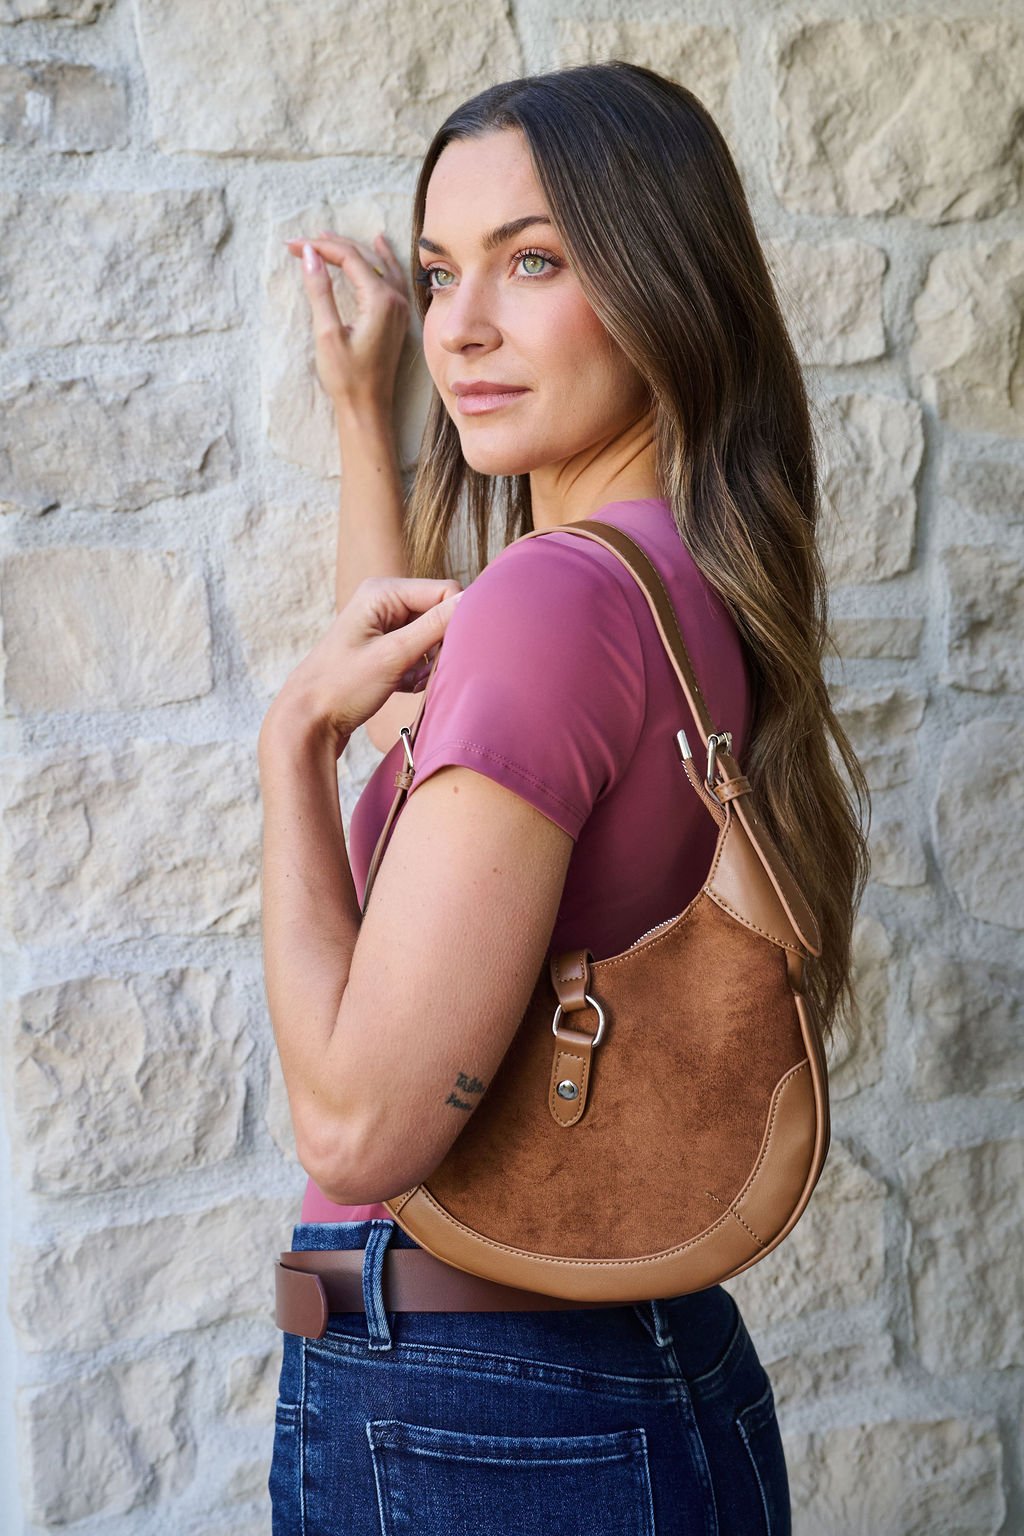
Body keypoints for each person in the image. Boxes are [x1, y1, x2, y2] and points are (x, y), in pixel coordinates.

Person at [259, 60, 870, 1535]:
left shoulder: (554, 602)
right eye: (439, 272)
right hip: (607, 1383)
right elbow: (420, 722)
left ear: (665, 286)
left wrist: (286, 749)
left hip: (475, 1417)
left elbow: (356, 1132)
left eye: (532, 262)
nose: (460, 326)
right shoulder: (673, 582)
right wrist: (364, 419)